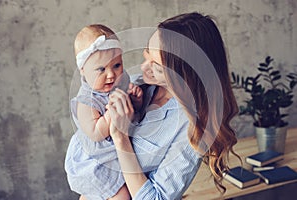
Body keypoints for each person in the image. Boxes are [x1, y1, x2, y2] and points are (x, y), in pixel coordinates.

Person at [106, 12, 239, 199]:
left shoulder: (194, 130)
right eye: (146, 54)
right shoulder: (137, 86)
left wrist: (120, 137)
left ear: (187, 75)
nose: (144, 68)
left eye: (157, 67)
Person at [64, 24, 143, 200]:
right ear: (83, 70)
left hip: (117, 154)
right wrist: (111, 114)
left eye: (116, 65)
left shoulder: (121, 81)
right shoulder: (85, 102)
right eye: (101, 69)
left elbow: (131, 112)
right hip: (97, 160)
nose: (111, 75)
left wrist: (135, 99)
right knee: (121, 195)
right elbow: (95, 133)